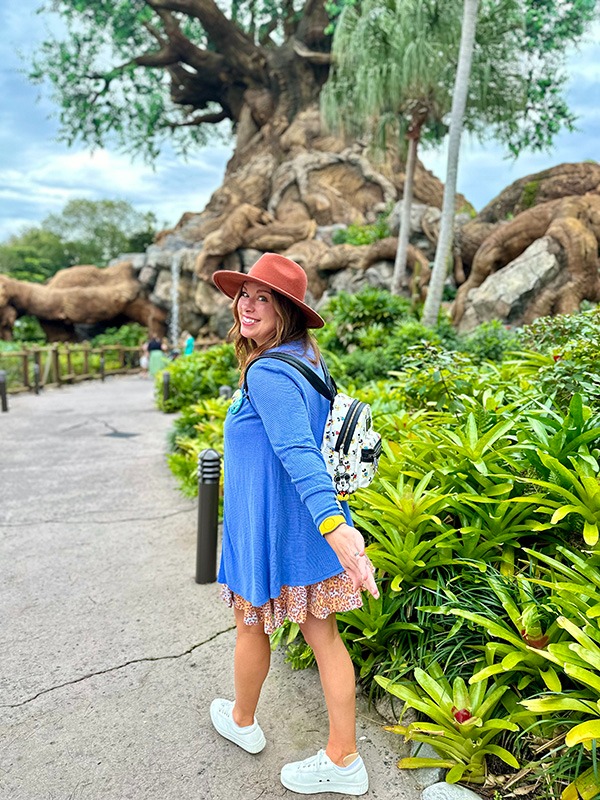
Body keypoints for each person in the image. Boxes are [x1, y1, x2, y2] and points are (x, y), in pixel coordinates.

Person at [210, 252, 378, 796]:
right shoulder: (303, 357)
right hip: (300, 531)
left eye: (265, 298)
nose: (249, 305)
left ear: (287, 311)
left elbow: (299, 452)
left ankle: (243, 722)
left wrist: (337, 528)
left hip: (277, 532)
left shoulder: (270, 371)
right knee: (323, 638)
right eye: (245, 294)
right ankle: (343, 756)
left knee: (251, 625)